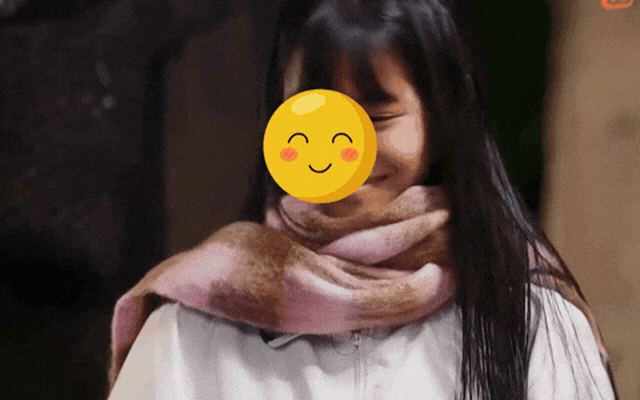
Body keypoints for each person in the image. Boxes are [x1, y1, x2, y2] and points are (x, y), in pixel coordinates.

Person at [106, 0, 618, 399]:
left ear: (440, 121)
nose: (338, 151)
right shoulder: (193, 319)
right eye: (313, 117)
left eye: (377, 118)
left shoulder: (529, 316)